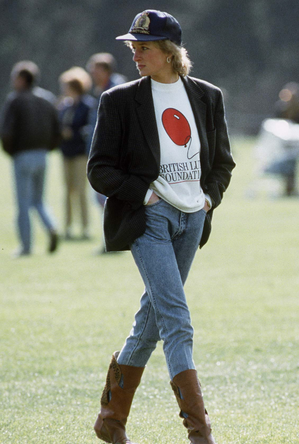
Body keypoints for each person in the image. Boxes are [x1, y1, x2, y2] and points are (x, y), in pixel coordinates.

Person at [87, 9, 235, 444]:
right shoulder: (118, 100)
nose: (135, 54)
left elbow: (223, 162)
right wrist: (145, 193)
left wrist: (208, 198)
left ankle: (110, 420)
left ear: (169, 53)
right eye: (133, 47)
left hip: (193, 219)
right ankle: (200, 431)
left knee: (151, 321)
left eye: (144, 47)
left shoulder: (208, 96)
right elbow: (99, 170)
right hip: (148, 218)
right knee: (177, 320)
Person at [0, 61, 60, 257]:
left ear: (22, 79)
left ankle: (26, 247)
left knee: (23, 204)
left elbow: (6, 131)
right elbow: (56, 129)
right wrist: (48, 148)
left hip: (22, 155)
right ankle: (51, 226)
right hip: (42, 155)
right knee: (39, 200)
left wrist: (10, 152)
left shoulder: (15, 100)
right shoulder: (47, 99)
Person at [86, 53, 127, 253]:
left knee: (107, 198)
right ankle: (112, 240)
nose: (92, 73)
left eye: (96, 69)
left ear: (106, 70)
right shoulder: (102, 89)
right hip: (104, 153)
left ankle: (114, 241)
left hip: (113, 155)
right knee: (103, 198)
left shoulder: (116, 88)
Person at [57, 67, 96, 240]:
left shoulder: (87, 105)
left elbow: (89, 127)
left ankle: (85, 228)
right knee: (68, 191)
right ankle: (68, 227)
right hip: (66, 153)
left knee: (81, 191)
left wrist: (74, 133)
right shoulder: (64, 106)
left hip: (81, 154)